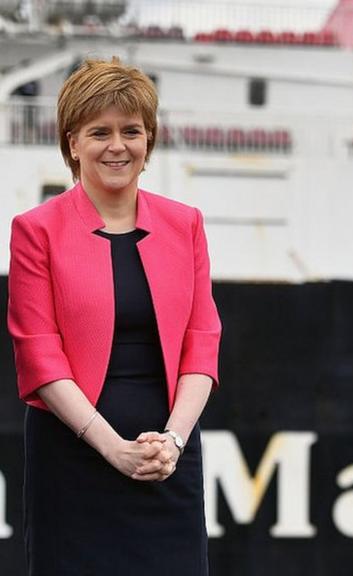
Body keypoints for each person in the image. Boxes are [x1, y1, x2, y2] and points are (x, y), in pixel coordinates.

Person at [7, 57, 221, 575]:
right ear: (72, 143)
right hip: (73, 455)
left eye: (132, 131)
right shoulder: (35, 230)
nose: (117, 146)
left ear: (149, 141)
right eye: (99, 132)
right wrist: (114, 450)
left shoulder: (185, 223)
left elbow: (202, 339)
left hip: (168, 458)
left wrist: (172, 440)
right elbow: (39, 354)